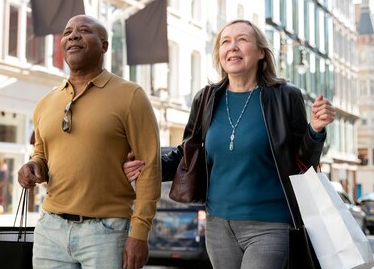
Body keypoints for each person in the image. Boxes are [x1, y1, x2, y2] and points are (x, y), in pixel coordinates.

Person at [124, 19, 335, 269]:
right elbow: (187, 154)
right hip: (218, 225)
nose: (232, 46)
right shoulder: (206, 98)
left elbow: (302, 162)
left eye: (242, 40)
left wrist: (316, 130)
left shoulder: (285, 96)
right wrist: (146, 166)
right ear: (220, 54)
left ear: (260, 53)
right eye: (225, 41)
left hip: (270, 224)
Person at [17, 14, 161, 269]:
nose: (73, 35)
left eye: (84, 30)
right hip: (50, 230)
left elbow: (150, 167)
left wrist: (139, 233)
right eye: (67, 32)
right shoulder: (46, 102)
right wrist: (32, 167)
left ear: (104, 45)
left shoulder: (131, 96)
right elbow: (41, 155)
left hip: (107, 231)